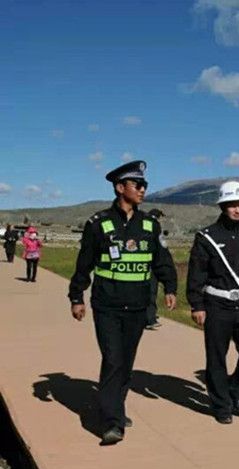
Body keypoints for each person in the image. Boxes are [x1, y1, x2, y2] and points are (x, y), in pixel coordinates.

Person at [68, 160, 178, 446]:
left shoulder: (150, 224)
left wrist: (170, 286)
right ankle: (112, 422)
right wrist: (77, 297)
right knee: (113, 359)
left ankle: (115, 406)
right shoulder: (98, 223)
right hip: (107, 305)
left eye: (145, 185)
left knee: (126, 362)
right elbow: (84, 263)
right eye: (137, 184)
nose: (142, 190)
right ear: (120, 187)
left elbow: (162, 260)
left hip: (138, 306)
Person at [187, 181, 239, 425]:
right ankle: (221, 405)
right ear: (223, 206)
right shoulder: (207, 237)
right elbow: (197, 272)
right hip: (217, 304)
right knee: (216, 357)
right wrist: (197, 304)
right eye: (232, 205)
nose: (238, 209)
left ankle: (236, 390)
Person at [145, 208, 166, 329]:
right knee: (151, 292)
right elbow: (162, 248)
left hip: (141, 265)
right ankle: (150, 319)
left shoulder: (141, 224)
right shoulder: (155, 226)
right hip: (152, 265)